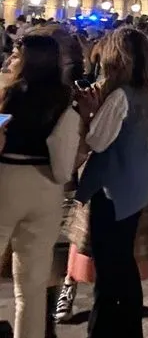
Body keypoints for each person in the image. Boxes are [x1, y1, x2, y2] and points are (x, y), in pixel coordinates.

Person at [73, 27, 148, 338]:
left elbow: (97, 141)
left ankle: (105, 327)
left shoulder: (121, 95)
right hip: (136, 185)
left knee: (109, 266)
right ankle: (128, 326)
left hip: (113, 189)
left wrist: (88, 112)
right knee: (123, 261)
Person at [0, 34, 82, 338]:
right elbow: (64, 163)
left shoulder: (8, 93)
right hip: (46, 187)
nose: (11, 58)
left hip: (7, 179)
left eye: (16, 54)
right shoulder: (63, 98)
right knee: (32, 287)